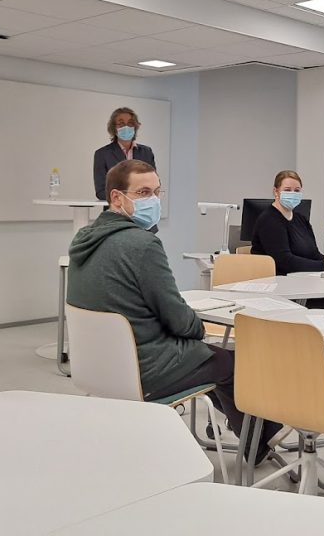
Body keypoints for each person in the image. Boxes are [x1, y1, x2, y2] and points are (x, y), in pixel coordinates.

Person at [67, 159, 285, 465]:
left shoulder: (83, 241)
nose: (153, 200)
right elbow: (179, 320)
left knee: (209, 359)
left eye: (157, 192)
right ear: (117, 198)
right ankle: (261, 444)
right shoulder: (142, 245)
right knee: (228, 361)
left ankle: (260, 437)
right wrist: (197, 328)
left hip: (98, 368)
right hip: (146, 371)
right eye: (143, 192)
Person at [250, 171, 324, 303]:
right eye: (288, 190)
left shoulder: (300, 219)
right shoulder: (269, 220)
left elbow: (313, 253)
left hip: (301, 280)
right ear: (276, 192)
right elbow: (284, 261)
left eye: (297, 190)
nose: (293, 194)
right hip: (280, 285)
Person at [92, 107, 156, 202]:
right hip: (115, 212)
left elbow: (153, 184)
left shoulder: (146, 152)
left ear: (135, 127)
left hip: (142, 210)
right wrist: (128, 198)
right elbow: (101, 192)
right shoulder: (102, 154)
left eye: (130, 123)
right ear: (114, 128)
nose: (126, 127)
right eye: (121, 123)